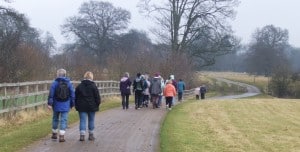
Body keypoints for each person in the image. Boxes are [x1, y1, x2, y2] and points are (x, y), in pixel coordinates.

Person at [48, 68, 75, 142]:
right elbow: (73, 94)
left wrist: (50, 104)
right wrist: (72, 104)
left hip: (56, 104)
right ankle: (61, 136)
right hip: (66, 104)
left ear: (57, 75)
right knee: (64, 120)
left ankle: (54, 134)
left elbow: (51, 94)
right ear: (65, 74)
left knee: (55, 119)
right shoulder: (69, 83)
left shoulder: (54, 83)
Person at [75, 71, 101, 141]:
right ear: (91, 77)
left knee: (82, 120)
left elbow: (76, 97)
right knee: (91, 120)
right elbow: (97, 97)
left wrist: (76, 105)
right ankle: (91, 135)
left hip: (82, 106)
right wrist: (97, 104)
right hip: (92, 106)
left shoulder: (79, 86)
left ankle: (82, 135)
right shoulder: (93, 86)